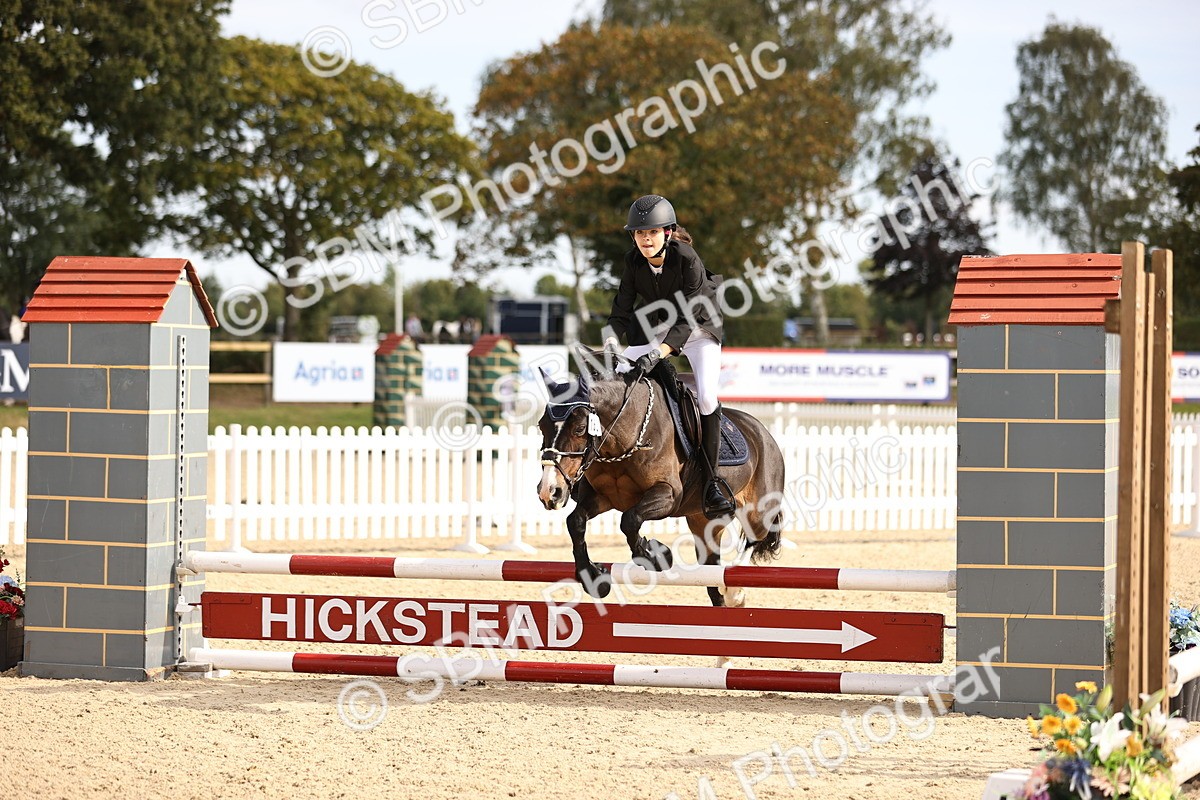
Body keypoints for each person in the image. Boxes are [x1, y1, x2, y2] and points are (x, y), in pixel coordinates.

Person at [604, 194, 735, 520]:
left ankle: (712, 482)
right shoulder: (633, 262)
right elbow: (620, 311)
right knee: (617, 374)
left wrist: (658, 354)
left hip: (700, 330)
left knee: (707, 397)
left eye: (652, 232)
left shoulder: (686, 258)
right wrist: (611, 344)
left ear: (667, 233)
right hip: (663, 328)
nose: (645, 239)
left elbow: (688, 319)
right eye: (640, 233)